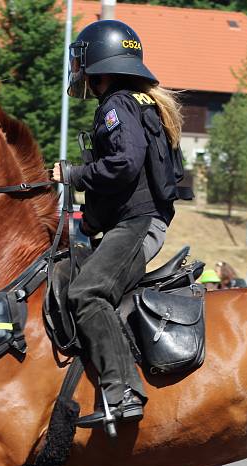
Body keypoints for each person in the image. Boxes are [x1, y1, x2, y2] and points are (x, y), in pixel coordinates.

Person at [50, 19, 184, 428]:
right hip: (131, 221)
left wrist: (71, 175)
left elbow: (123, 165)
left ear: (99, 65)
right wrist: (90, 223)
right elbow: (128, 176)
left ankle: (122, 390)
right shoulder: (137, 103)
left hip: (137, 225)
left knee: (87, 292)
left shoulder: (117, 105)